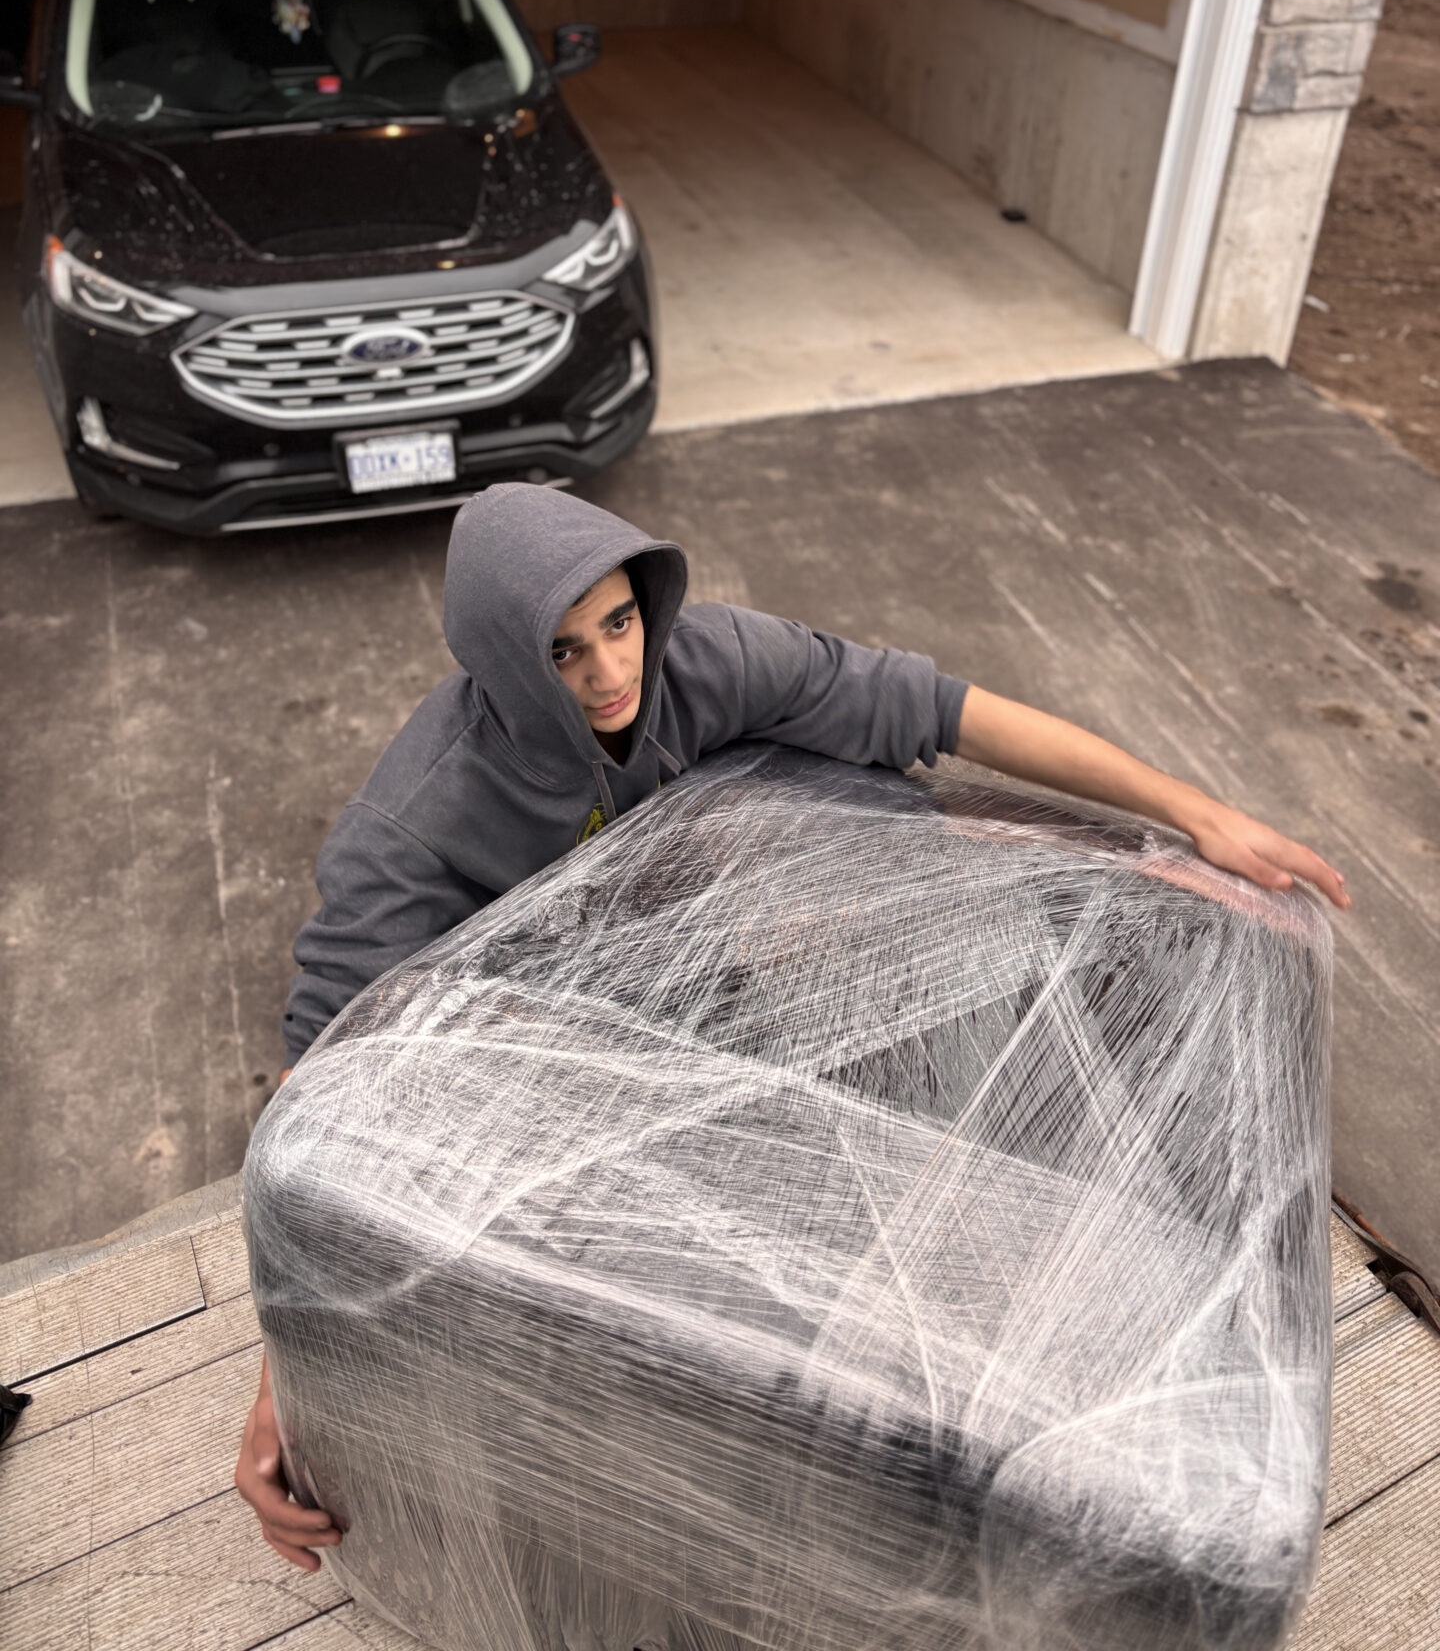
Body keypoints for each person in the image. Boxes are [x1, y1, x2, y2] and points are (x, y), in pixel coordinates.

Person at [236, 481, 1349, 1569]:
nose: (613, 670)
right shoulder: (415, 823)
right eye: (564, 651)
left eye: (621, 622)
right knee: (658, 1391)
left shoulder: (699, 664)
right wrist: (288, 1377)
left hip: (729, 1033)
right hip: (543, 1118)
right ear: (500, 663)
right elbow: (320, 1107)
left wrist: (1196, 814)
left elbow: (936, 707)